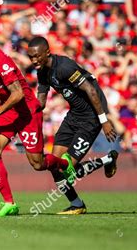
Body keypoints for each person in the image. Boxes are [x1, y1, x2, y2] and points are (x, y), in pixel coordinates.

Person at [0, 28, 74, 217]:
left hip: (27, 111)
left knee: (38, 164)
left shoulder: (1, 63)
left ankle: (64, 164)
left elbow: (18, 94)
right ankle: (10, 204)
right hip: (10, 111)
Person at [27, 36, 119, 215]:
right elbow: (41, 102)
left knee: (67, 168)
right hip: (74, 115)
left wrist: (104, 120)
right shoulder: (41, 72)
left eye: (37, 56)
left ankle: (107, 160)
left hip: (92, 116)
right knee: (55, 166)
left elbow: (91, 90)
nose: (34, 60)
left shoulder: (64, 67)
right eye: (31, 57)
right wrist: (27, 113)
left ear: (47, 52)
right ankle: (77, 204)